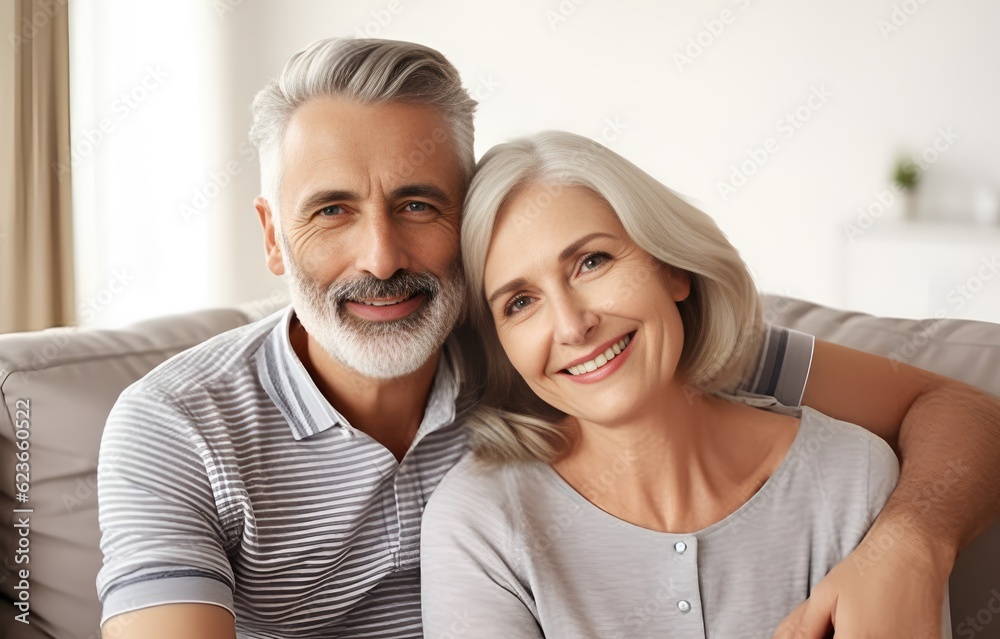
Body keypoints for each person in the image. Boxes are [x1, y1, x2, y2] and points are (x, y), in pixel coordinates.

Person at [94, 38, 1000, 639]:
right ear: (270, 234)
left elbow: (953, 407)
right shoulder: (176, 428)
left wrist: (909, 542)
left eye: (418, 205)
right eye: (331, 210)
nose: (380, 255)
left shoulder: (567, 356)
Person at [420, 130, 924, 637]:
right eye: (520, 302)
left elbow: (954, 407)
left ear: (673, 269)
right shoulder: (478, 525)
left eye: (592, 262)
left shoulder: (852, 478)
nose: (573, 326)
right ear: (503, 347)